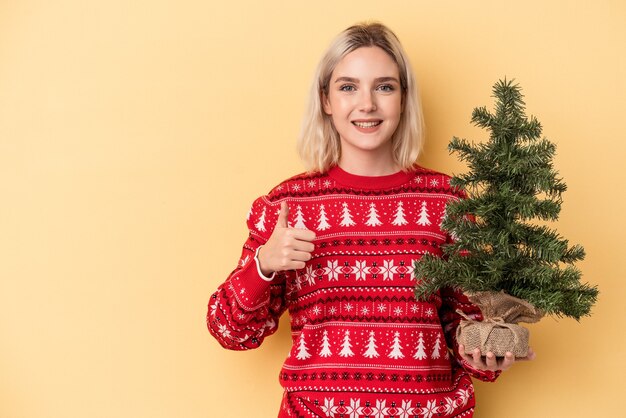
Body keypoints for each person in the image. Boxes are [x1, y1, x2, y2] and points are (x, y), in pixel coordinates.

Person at [207, 22, 534, 417]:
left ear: (403, 99)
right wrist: (263, 265)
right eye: (348, 87)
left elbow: (464, 324)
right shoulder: (288, 205)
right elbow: (230, 331)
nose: (367, 104)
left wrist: (484, 354)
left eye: (384, 86)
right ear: (326, 99)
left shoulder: (445, 201)